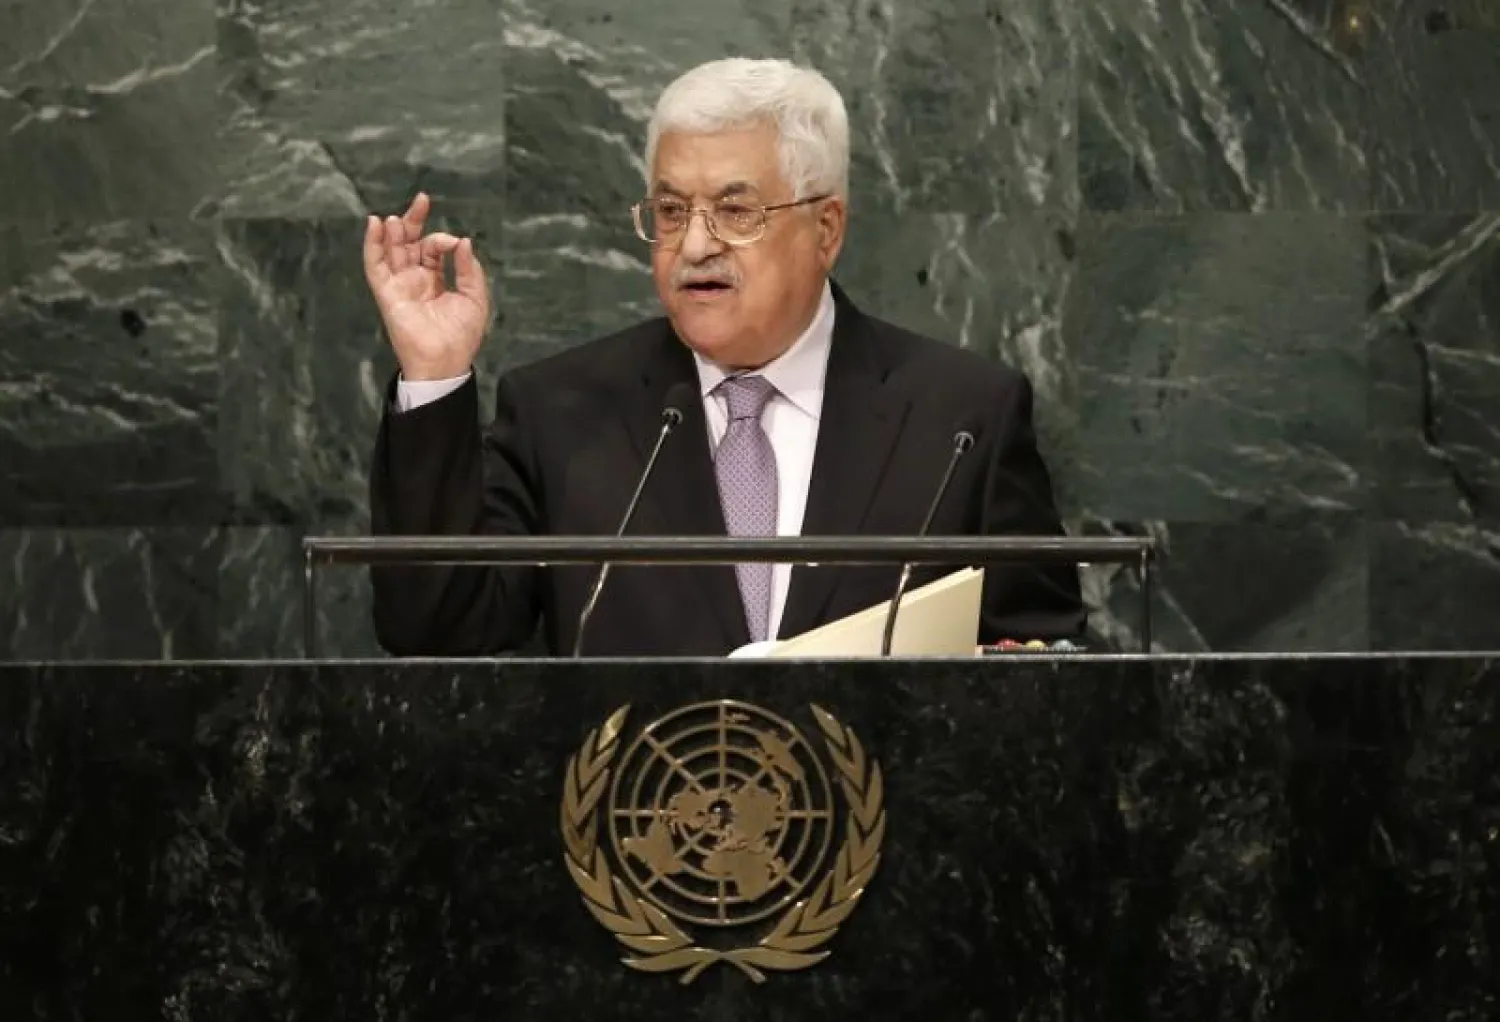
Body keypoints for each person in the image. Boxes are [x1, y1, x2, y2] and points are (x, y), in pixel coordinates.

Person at [362, 57, 1085, 657]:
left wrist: (1022, 671)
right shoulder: (561, 413)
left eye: (736, 212)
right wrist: (434, 373)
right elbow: (436, 636)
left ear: (825, 228)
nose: (696, 244)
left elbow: (1045, 658)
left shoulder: (962, 417)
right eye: (672, 212)